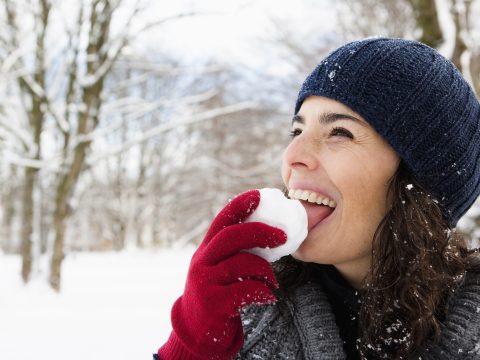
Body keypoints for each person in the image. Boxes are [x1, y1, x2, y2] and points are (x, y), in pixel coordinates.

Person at [156, 37, 480, 359]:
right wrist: (190, 347)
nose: (293, 155)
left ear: (420, 181)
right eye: (296, 132)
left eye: (340, 133)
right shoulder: (246, 315)